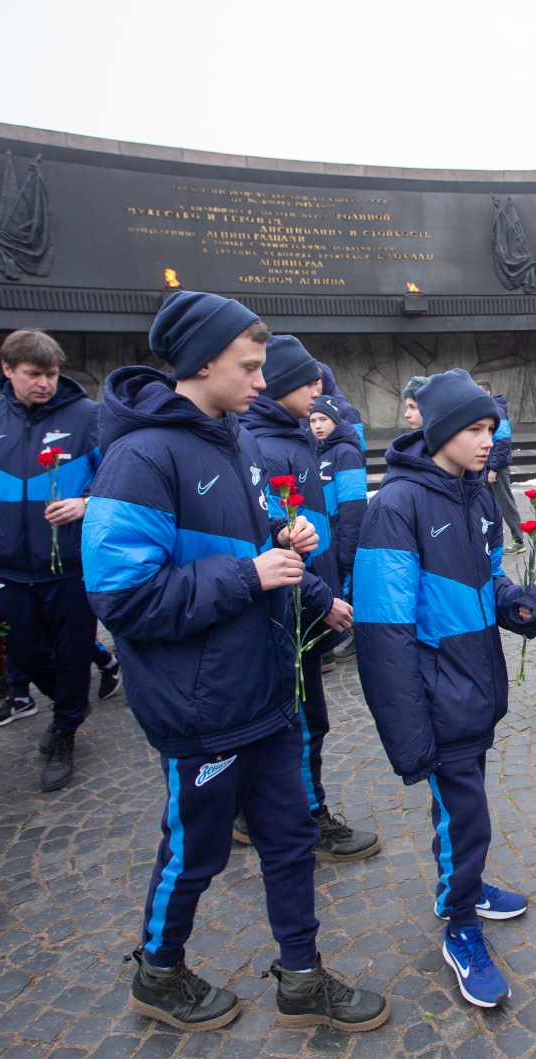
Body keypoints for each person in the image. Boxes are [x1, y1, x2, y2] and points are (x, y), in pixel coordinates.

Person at [81, 290, 388, 1033]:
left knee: (290, 839)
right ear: (201, 363)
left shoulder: (236, 440)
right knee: (194, 850)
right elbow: (121, 597)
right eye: (248, 366)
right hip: (203, 706)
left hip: (267, 687)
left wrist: (284, 542)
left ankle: (302, 978)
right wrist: (250, 573)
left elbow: (244, 543)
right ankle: (158, 972)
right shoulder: (140, 457)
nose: (261, 380)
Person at [354, 368, 536, 1009]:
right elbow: (383, 633)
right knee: (469, 819)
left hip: (472, 689)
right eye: (475, 429)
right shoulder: (395, 508)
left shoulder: (478, 495)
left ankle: (459, 889)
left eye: (492, 427)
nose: (489, 440)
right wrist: (411, 734)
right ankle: (461, 927)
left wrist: (514, 603)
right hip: (440, 701)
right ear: (440, 432)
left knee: (461, 815)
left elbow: (487, 579)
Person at [0, 330, 105, 791]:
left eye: (51, 374)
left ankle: (65, 729)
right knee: (25, 652)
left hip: (70, 564)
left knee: (73, 653)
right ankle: (71, 704)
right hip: (7, 565)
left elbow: (119, 480)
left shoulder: (88, 416)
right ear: (7, 370)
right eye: (33, 374)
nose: (44, 384)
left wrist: (86, 503)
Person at [244, 339, 379, 863]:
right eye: (308, 381)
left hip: (304, 602)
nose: (319, 388)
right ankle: (307, 821)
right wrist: (323, 598)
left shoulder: (296, 437)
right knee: (302, 721)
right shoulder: (265, 447)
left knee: (297, 718)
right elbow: (273, 546)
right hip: (291, 610)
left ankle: (255, 809)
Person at [309, 395, 366, 668]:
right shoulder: (318, 449)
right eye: (313, 420)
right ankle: (329, 646)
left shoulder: (346, 452)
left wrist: (348, 549)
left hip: (341, 536)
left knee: (347, 589)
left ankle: (357, 640)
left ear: (336, 421)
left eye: (323, 419)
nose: (318, 425)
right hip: (324, 535)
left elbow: (353, 506)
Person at [475, 379, 527, 554]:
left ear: (487, 393)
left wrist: (494, 469)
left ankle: (518, 540)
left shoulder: (497, 411)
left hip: (496, 468)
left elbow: (503, 443)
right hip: (487, 466)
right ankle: (490, 539)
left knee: (505, 504)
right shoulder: (485, 410)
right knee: (487, 504)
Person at [315, 362, 367, 451]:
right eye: (307, 384)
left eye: (315, 384)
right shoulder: (303, 409)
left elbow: (359, 447)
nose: (311, 388)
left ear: (326, 382)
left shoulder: (347, 410)